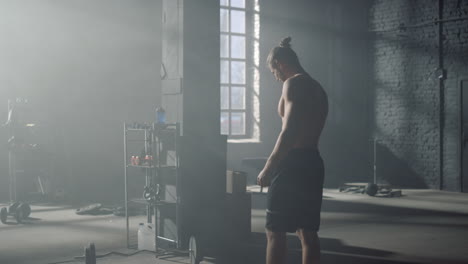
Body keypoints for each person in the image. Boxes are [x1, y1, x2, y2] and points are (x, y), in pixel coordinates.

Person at [257, 37, 328, 264]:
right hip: (312, 161)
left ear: (279, 62)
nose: (274, 76)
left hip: (292, 163)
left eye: (273, 70)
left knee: (275, 231)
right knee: (307, 232)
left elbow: (289, 132)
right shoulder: (317, 87)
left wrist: (269, 167)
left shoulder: (293, 84)